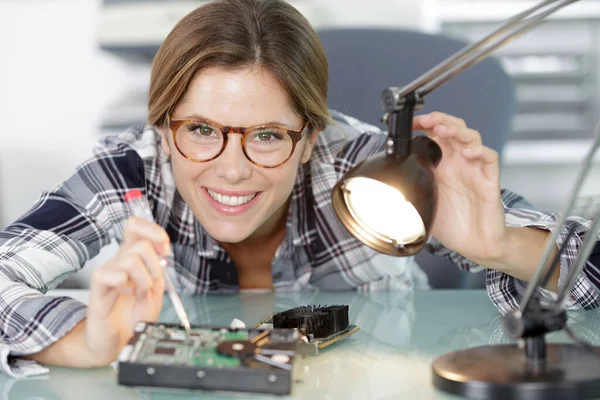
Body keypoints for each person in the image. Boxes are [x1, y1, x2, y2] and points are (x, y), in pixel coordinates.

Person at [0, 0, 598, 374]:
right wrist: (85, 342)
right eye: (202, 129)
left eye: (267, 136)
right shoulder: (131, 168)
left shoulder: (367, 163)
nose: (231, 170)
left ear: (312, 136)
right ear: (161, 127)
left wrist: (499, 248)